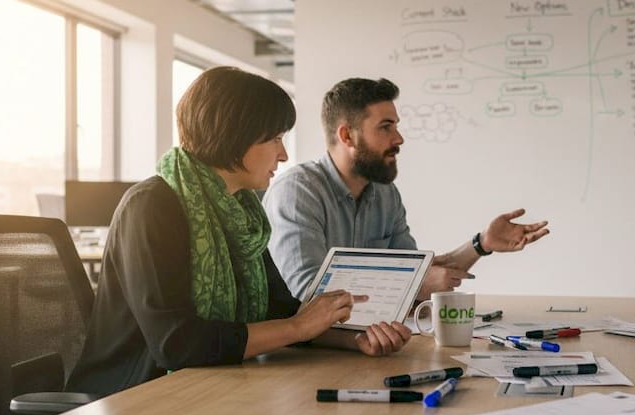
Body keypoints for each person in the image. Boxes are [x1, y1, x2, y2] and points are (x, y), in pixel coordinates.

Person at [67, 67, 411, 395]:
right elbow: (175, 343)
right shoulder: (151, 206)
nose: (283, 153)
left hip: (211, 386)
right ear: (235, 136)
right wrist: (297, 327)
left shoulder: (242, 212)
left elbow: (283, 314)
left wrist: (355, 339)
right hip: (132, 396)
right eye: (275, 138)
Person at [264, 77, 550, 300]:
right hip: (305, 358)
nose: (399, 138)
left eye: (396, 126)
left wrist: (482, 243)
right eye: (385, 127)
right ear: (347, 135)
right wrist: (412, 286)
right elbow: (310, 292)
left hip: (363, 346)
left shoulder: (385, 195)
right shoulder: (298, 192)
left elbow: (415, 273)